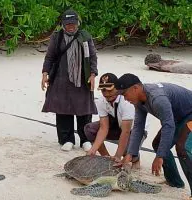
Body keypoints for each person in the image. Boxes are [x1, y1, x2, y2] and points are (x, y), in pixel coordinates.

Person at [114, 73, 192, 200]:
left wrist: (160, 156)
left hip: (189, 114)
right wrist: (130, 153)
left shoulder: (157, 98)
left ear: (135, 88)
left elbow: (168, 125)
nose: (125, 98)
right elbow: (138, 126)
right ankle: (175, 182)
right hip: (178, 117)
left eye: (125, 94)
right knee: (157, 144)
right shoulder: (139, 101)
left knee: (182, 148)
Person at [41, 9, 98, 151]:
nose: (70, 26)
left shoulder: (85, 37)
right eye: (67, 24)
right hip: (61, 78)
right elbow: (50, 57)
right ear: (63, 24)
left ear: (78, 23)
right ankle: (66, 139)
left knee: (84, 109)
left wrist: (92, 74)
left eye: (73, 23)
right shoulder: (57, 37)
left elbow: (92, 57)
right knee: (62, 109)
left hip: (82, 78)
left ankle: (85, 139)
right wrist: (44, 74)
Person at [84, 73, 148, 168]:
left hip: (135, 130)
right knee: (90, 129)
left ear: (117, 88)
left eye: (109, 90)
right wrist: (93, 149)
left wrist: (118, 155)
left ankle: (135, 158)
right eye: (103, 90)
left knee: (126, 151)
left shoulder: (126, 101)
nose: (106, 93)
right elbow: (103, 128)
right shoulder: (102, 100)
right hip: (118, 125)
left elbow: (125, 132)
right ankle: (107, 158)